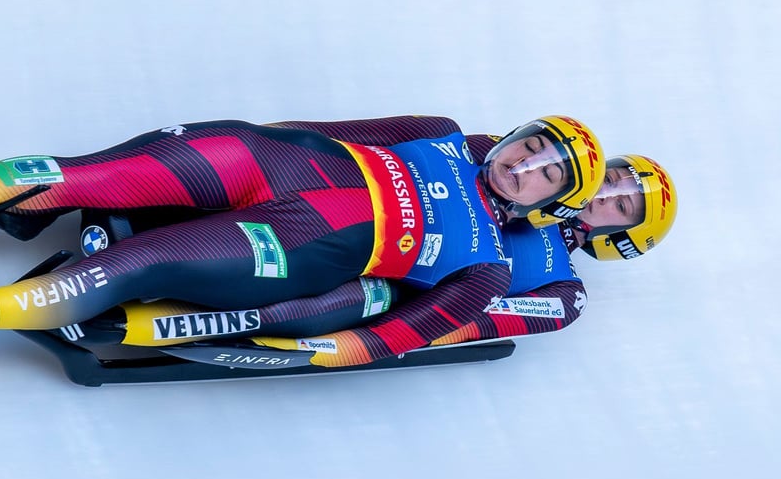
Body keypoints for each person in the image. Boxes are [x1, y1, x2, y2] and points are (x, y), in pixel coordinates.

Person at [0, 115, 606, 366]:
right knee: (99, 174)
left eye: (544, 174)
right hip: (279, 162)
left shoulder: (486, 267)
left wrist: (308, 346)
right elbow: (327, 128)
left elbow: (394, 335)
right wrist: (237, 135)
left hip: (303, 241)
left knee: (143, 261)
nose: (524, 165)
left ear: (551, 205)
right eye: (531, 146)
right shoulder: (440, 131)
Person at [66, 153, 676, 366]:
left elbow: (475, 321)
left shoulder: (566, 293)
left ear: (620, 237)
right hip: (377, 227)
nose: (606, 197)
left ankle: (151, 318)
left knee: (359, 295)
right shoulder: (523, 168)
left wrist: (387, 338)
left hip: (408, 290)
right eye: (612, 181)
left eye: (621, 207)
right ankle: (147, 219)